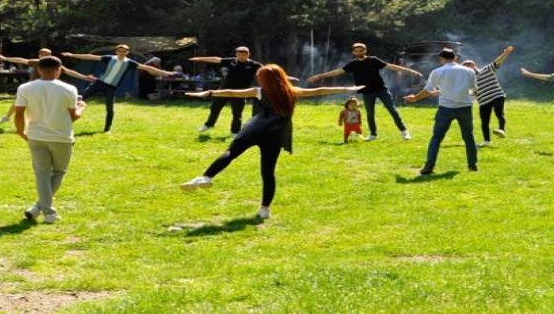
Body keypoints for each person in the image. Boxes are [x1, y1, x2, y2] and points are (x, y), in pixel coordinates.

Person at [180, 65, 362, 220]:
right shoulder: (293, 92)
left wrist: (210, 92)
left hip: (255, 129)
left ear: (265, 80)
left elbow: (233, 92)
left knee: (231, 152)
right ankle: (264, 209)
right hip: (275, 134)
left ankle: (206, 177)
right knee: (268, 171)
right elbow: (320, 91)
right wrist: (347, 90)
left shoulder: (260, 91)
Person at [12, 56, 88, 224]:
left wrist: (21, 131)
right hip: (61, 137)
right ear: (59, 69)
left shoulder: (25, 88)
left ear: (39, 69)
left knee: (42, 174)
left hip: (35, 135)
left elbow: (18, 114)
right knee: (58, 172)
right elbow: (72, 117)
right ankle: (48, 212)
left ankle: (38, 208)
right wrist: (81, 108)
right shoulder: (69, 89)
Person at [308, 42, 420, 141]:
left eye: (361, 50)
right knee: (370, 114)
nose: (359, 52)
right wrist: (319, 76)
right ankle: (373, 134)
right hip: (367, 92)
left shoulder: (373, 60)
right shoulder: (352, 64)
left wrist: (410, 71)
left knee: (393, 110)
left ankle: (404, 133)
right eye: (356, 51)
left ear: (365, 51)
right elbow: (337, 72)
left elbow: (391, 66)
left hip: (381, 89)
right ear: (354, 52)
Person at [62, 45, 175, 133]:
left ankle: (107, 129)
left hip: (111, 87)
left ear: (127, 52)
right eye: (119, 51)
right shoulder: (109, 58)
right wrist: (71, 55)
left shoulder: (130, 63)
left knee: (110, 108)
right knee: (81, 98)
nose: (121, 53)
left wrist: (165, 73)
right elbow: (89, 56)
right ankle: (64, 119)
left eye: (124, 51)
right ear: (116, 52)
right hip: (99, 83)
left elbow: (147, 67)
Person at [406, 48, 478, 175]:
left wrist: (415, 98)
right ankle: (472, 166)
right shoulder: (469, 71)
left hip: (446, 108)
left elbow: (428, 90)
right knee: (468, 137)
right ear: (455, 58)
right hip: (465, 107)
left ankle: (429, 166)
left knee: (437, 138)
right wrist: (470, 99)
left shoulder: (437, 71)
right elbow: (473, 90)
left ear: (441, 59)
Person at [0, 49, 95, 124]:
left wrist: (85, 77)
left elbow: (69, 72)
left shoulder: (54, 64)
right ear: (39, 55)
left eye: (49, 54)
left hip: (49, 88)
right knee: (18, 103)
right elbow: (21, 60)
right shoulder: (36, 62)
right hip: (33, 88)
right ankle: (7, 117)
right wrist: (5, 58)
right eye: (45, 54)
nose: (47, 55)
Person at [191, 46, 262, 134]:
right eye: (239, 54)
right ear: (236, 54)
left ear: (248, 54)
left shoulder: (254, 65)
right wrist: (200, 58)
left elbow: (266, 71)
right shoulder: (232, 61)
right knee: (214, 108)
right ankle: (209, 125)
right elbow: (216, 59)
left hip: (239, 93)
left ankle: (235, 132)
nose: (241, 56)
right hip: (223, 90)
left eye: (243, 54)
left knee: (237, 113)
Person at [461, 45, 514, 147]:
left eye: (466, 69)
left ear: (473, 66)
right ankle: (487, 141)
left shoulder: (486, 69)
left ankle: (501, 129)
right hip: (483, 101)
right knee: (484, 121)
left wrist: (506, 53)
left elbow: (497, 62)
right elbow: (472, 92)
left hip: (497, 95)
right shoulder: (468, 80)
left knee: (499, 113)